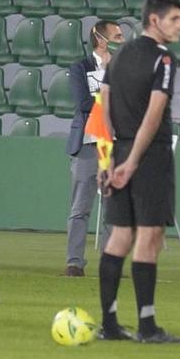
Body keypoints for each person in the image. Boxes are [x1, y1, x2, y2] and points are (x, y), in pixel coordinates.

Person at [97, 0, 180, 344]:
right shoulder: (164, 60)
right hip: (148, 156)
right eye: (174, 20)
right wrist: (133, 162)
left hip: (118, 148)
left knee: (120, 236)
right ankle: (147, 326)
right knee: (149, 237)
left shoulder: (118, 57)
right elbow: (154, 113)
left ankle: (110, 324)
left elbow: (103, 106)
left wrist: (108, 160)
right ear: (154, 20)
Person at [63, 20, 123, 276]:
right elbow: (84, 102)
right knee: (80, 208)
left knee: (113, 208)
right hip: (88, 143)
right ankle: (74, 262)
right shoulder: (80, 67)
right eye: (117, 35)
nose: (122, 40)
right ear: (100, 38)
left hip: (115, 143)